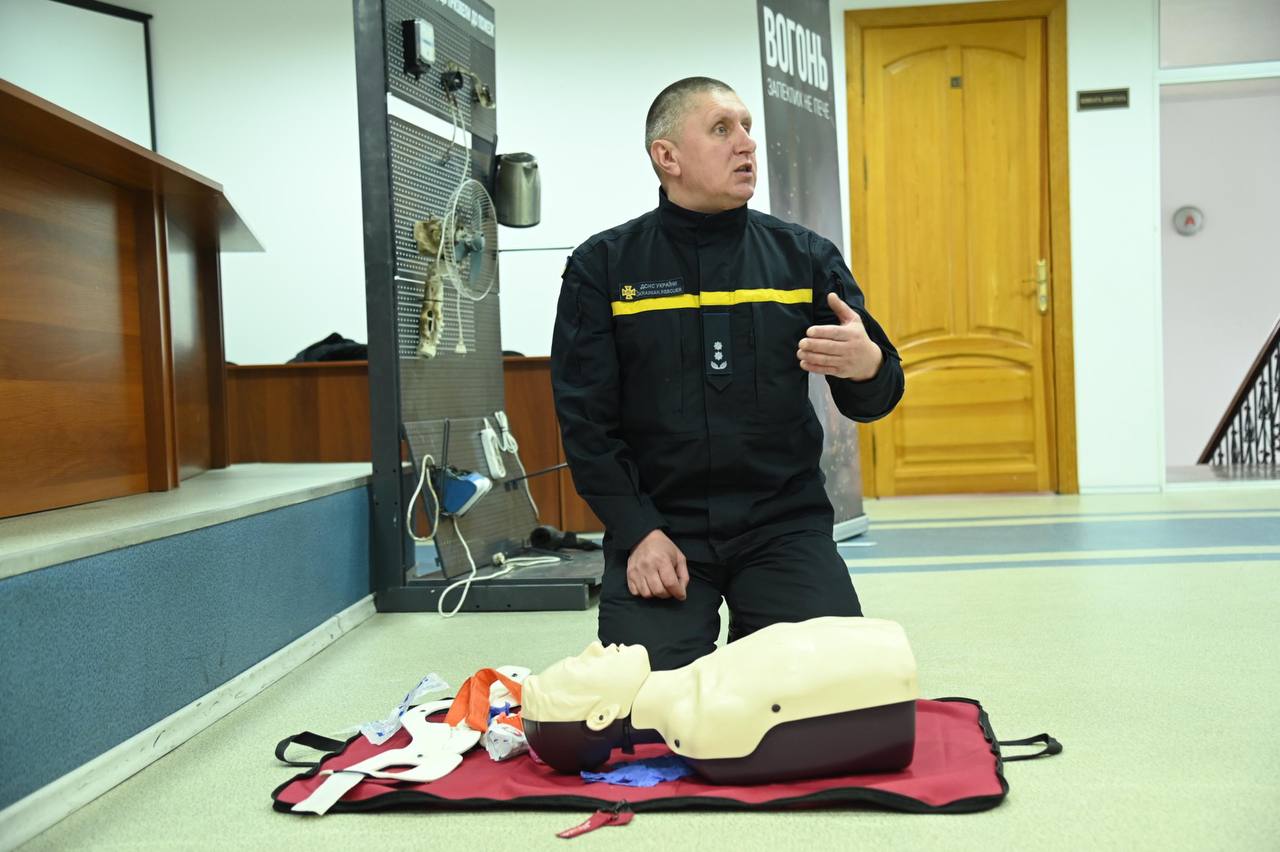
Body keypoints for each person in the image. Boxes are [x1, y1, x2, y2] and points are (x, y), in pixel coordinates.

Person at [550, 77, 903, 671]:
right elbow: (586, 425)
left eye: (746, 127)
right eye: (721, 129)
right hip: (663, 525)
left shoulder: (804, 258)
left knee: (829, 687)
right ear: (667, 156)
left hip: (782, 525)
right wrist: (638, 533)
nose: (746, 143)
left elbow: (875, 397)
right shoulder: (603, 267)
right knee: (642, 701)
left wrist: (867, 367)